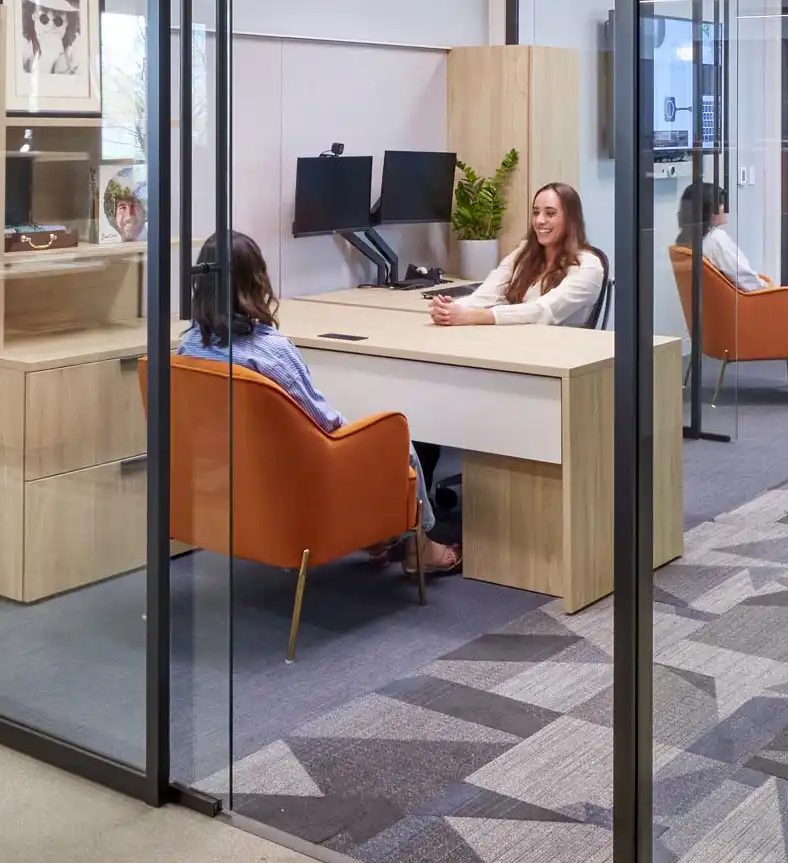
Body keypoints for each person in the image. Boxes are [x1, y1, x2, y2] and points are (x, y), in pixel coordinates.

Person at [180, 230, 443, 571]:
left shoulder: (188, 346)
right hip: (296, 478)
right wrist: (368, 433)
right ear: (257, 281)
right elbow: (325, 424)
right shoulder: (269, 352)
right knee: (398, 439)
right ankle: (421, 551)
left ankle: (378, 536)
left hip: (233, 474)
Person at [431, 181, 605, 328]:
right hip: (516, 344)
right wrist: (450, 309)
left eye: (550, 213)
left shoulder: (589, 267)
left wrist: (471, 317)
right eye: (536, 212)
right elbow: (489, 293)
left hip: (559, 357)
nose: (540, 220)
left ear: (570, 220)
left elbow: (543, 310)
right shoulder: (524, 252)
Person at [675, 180, 769, 291]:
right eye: (721, 204)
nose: (725, 208)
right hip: (750, 302)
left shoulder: (685, 240)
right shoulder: (716, 240)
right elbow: (745, 279)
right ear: (707, 210)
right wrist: (768, 288)